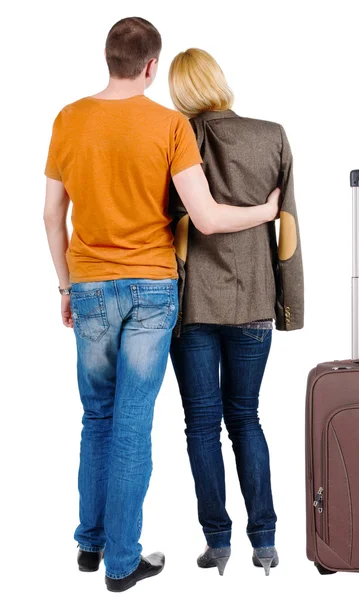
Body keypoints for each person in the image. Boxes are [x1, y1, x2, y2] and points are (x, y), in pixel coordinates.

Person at [43, 19, 280, 593]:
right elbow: (206, 218)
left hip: (91, 287)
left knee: (95, 416)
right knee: (130, 423)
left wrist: (65, 286)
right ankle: (123, 562)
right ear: (152, 67)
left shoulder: (68, 119)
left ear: (108, 59)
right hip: (151, 290)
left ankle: (89, 542)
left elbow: (53, 215)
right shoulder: (169, 124)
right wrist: (267, 212)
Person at [168, 48, 304, 576]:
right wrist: (288, 305)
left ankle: (217, 542)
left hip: (194, 301)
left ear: (180, 92)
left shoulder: (178, 136)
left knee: (201, 423)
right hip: (253, 298)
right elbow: (288, 226)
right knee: (245, 417)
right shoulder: (271, 134)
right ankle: (265, 542)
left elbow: (167, 219)